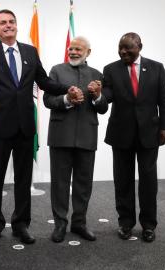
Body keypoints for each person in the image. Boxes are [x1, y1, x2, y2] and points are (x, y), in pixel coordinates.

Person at [0, 9, 82, 247]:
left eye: (12, 22)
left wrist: (67, 89)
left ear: (16, 26)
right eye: (3, 23)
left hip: (25, 126)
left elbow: (44, 81)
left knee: (24, 179)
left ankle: (21, 225)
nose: (8, 26)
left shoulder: (30, 51)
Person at [102, 32, 165, 242]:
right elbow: (108, 95)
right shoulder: (110, 69)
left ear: (139, 46)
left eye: (128, 48)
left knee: (148, 182)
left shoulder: (156, 68)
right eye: (120, 48)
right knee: (122, 181)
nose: (123, 51)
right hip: (121, 133)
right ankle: (125, 223)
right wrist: (98, 94)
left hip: (149, 134)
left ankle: (149, 225)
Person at [43, 36, 108, 243]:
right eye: (71, 48)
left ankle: (79, 223)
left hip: (87, 136)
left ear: (88, 52)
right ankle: (60, 224)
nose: (73, 52)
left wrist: (98, 95)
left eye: (78, 49)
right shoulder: (56, 70)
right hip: (60, 136)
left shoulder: (97, 75)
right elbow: (47, 100)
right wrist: (66, 99)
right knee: (60, 184)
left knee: (83, 183)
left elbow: (103, 107)